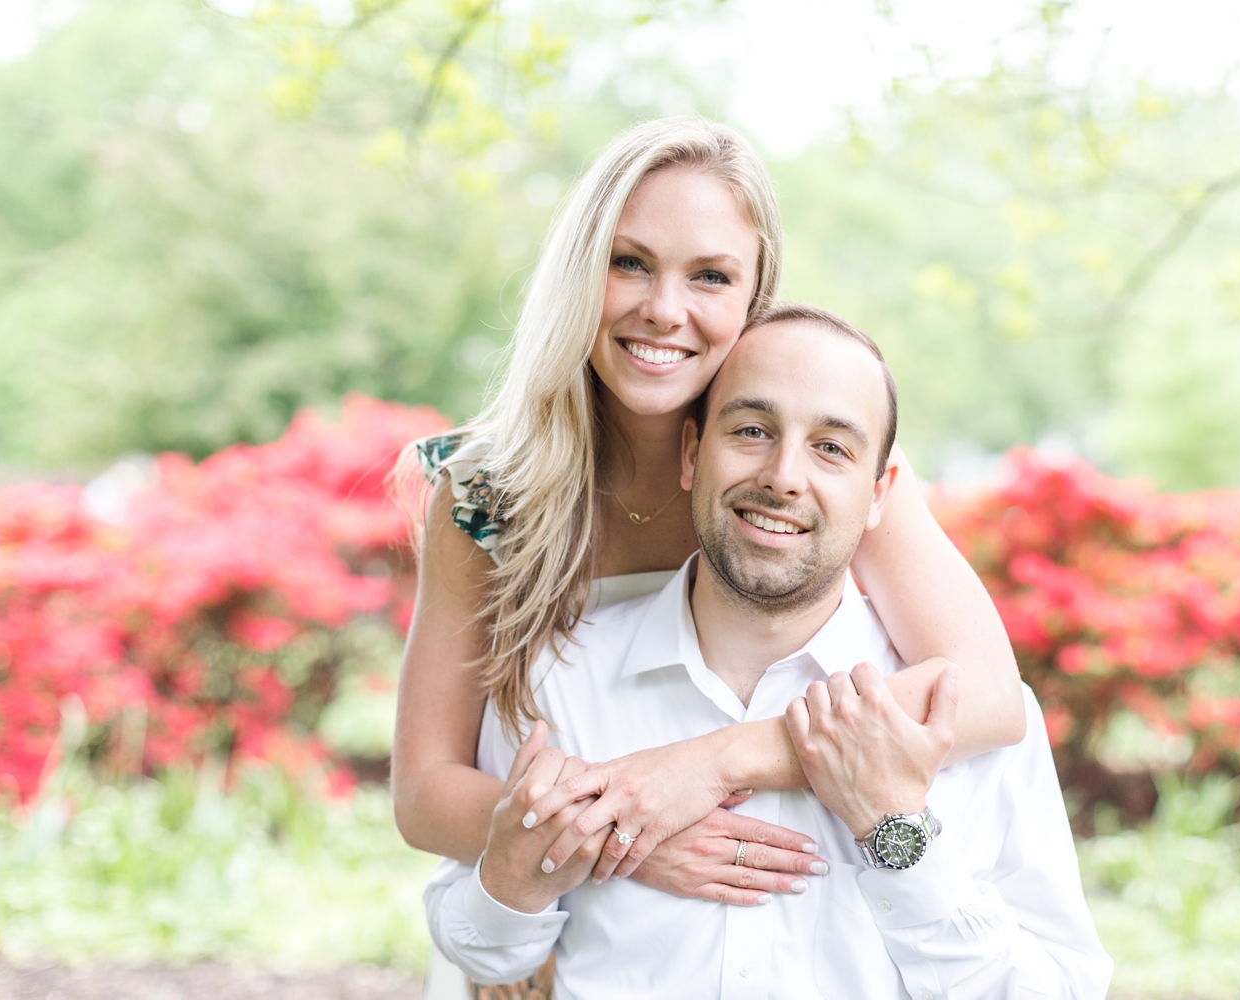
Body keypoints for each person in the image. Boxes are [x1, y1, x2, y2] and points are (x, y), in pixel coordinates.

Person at [396, 116, 1026, 967]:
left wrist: (712, 763)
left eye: (710, 276)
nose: (664, 310)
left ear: (754, 297)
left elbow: (988, 696)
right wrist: (625, 838)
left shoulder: (804, 477)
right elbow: (425, 790)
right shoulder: (486, 493)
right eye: (629, 263)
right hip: (543, 919)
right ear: (580, 270)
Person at [425, 305, 1112, 999]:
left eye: (831, 448)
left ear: (879, 495)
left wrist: (898, 833)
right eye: (752, 431)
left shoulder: (957, 718)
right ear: (692, 455)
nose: (784, 476)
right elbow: (481, 952)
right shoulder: (561, 677)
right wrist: (515, 879)